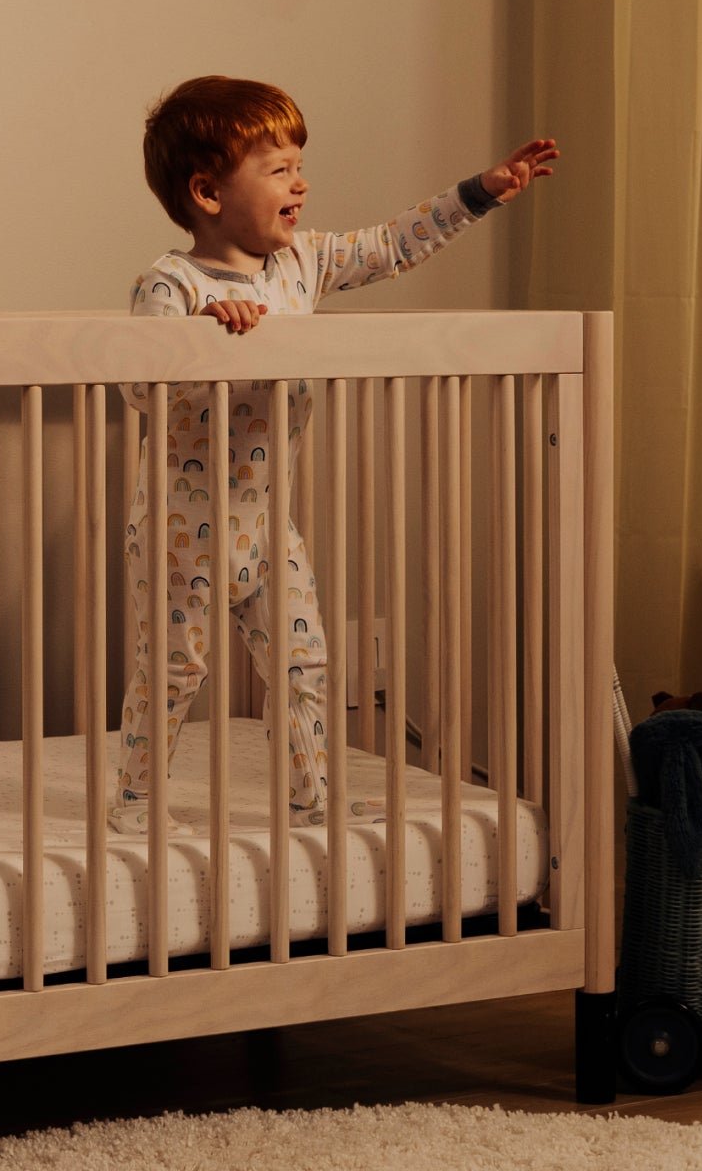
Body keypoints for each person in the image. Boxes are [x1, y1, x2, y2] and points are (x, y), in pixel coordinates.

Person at [114, 74, 558, 833]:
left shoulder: (302, 264)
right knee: (177, 668)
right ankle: (135, 803)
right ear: (209, 192)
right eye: (279, 168)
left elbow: (390, 245)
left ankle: (311, 801)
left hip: (265, 520)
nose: (302, 182)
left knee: (305, 662)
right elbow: (137, 388)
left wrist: (479, 192)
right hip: (184, 526)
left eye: (298, 164)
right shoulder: (174, 284)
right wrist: (201, 336)